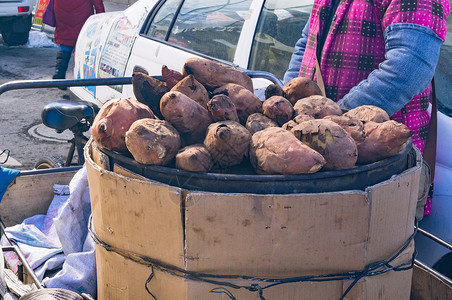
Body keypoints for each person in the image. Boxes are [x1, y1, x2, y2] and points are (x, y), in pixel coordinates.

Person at [284, 0, 449, 216]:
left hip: (380, 175)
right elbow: (306, 46)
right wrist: (286, 103)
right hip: (317, 159)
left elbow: (408, 68)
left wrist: (333, 123)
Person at [53, 0, 105, 81]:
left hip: (62, 15)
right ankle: (80, 77)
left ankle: (59, 72)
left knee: (65, 44)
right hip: (82, 17)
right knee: (83, 48)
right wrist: (101, 19)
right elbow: (98, 4)